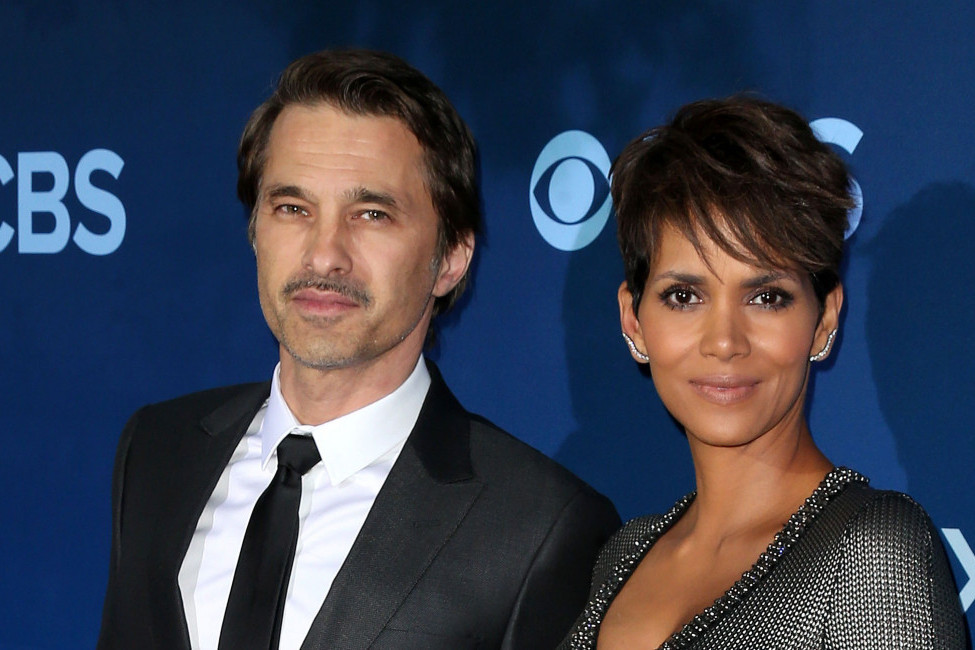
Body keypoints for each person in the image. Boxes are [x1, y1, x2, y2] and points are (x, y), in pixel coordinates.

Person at [97, 49, 620, 650]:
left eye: (371, 214)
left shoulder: (540, 528)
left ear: (451, 259)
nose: (324, 255)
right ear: (255, 230)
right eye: (293, 208)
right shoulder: (157, 450)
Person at [560, 96, 966, 648]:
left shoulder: (873, 554)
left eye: (766, 297)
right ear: (634, 320)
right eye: (684, 296)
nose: (725, 342)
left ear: (824, 319)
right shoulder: (623, 554)